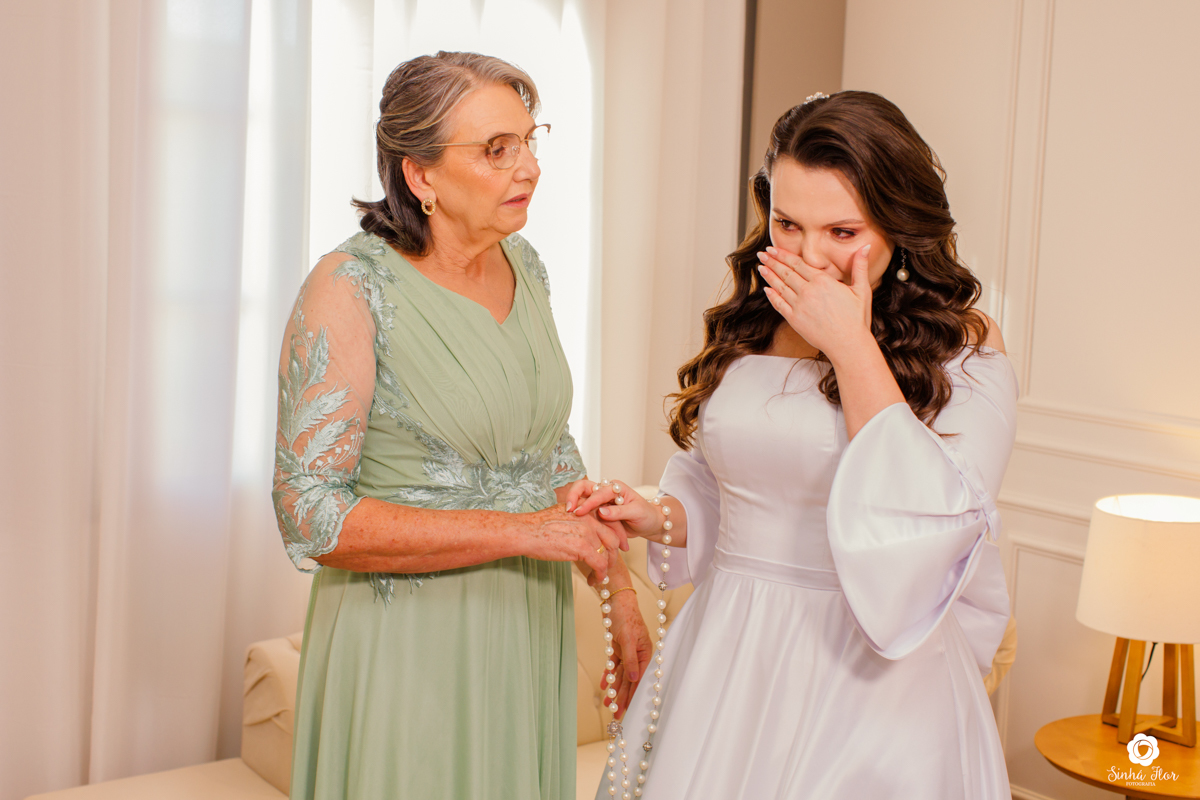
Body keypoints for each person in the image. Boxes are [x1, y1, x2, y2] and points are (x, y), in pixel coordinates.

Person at [572, 91, 1016, 799]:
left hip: (870, 675)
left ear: (899, 222)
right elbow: (727, 487)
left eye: (842, 231)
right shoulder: (754, 320)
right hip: (728, 647)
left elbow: (935, 520)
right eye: (787, 224)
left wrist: (850, 345)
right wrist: (657, 516)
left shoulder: (963, 346)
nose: (810, 257)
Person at [272, 51, 650, 800]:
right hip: (409, 641)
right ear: (421, 175)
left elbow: (543, 447)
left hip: (527, 626)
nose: (529, 167)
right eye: (496, 150)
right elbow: (308, 514)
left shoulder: (525, 264)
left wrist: (618, 591)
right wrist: (524, 533)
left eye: (529, 141)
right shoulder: (349, 287)